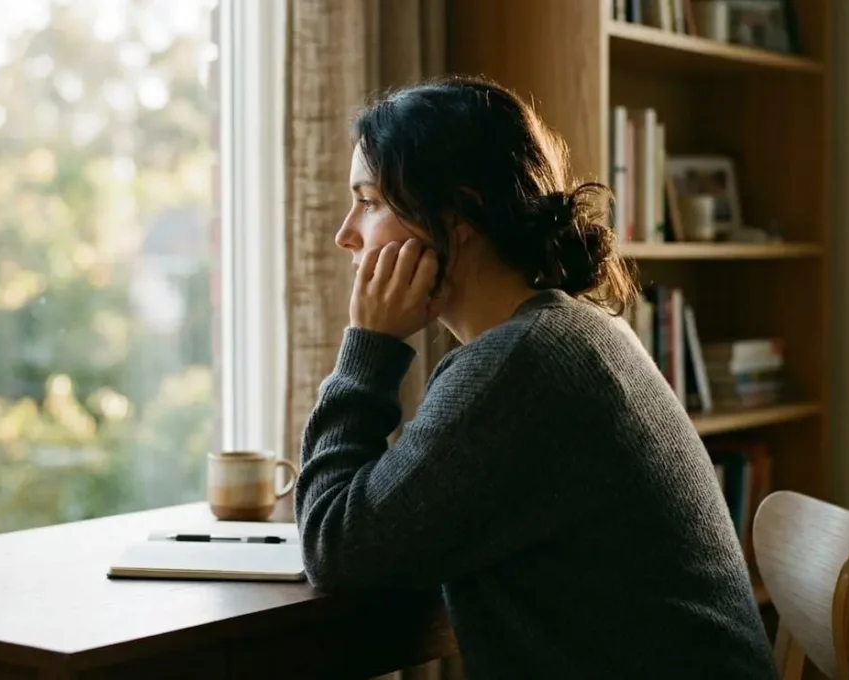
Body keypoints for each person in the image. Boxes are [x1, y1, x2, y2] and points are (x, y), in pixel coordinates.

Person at [293, 75, 777, 679]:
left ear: (459, 214)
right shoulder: (565, 333)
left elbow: (335, 546)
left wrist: (368, 348)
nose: (346, 235)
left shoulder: (523, 366)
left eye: (368, 201)